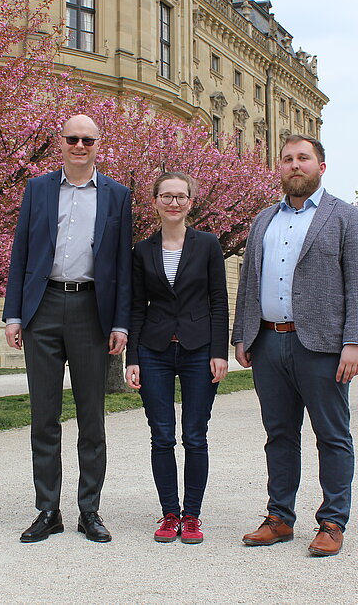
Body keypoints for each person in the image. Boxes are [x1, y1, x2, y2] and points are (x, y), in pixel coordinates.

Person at [232, 134, 358, 557]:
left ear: (321, 167)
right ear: (280, 168)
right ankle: (279, 518)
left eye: (303, 158)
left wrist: (354, 342)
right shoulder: (262, 221)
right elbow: (248, 282)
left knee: (332, 435)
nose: (295, 165)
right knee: (278, 435)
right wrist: (242, 333)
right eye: (288, 159)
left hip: (324, 346)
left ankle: (332, 521)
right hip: (268, 343)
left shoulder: (345, 217)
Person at [3, 114, 132, 543]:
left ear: (99, 144)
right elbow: (21, 251)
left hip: (91, 310)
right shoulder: (38, 189)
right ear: (61, 143)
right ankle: (47, 510)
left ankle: (89, 511)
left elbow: (122, 266)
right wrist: (14, 314)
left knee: (91, 417)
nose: (80, 145)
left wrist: (120, 322)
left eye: (88, 140)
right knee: (44, 417)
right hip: (43, 308)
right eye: (72, 139)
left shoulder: (118, 195)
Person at [125, 172, 229, 545]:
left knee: (195, 436)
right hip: (153, 350)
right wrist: (131, 357)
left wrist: (220, 351)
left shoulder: (208, 245)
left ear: (190, 201)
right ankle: (170, 513)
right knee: (162, 435)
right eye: (166, 196)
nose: (173, 202)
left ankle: (193, 516)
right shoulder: (142, 250)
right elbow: (136, 306)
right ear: (154, 202)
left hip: (199, 349)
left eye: (180, 196)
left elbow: (219, 301)